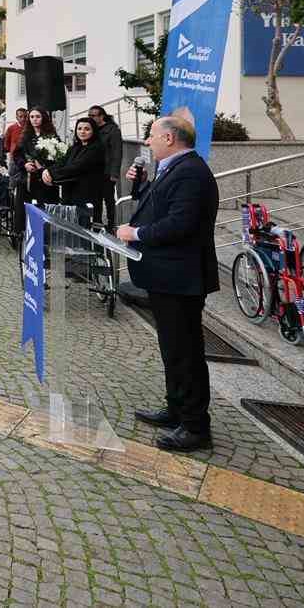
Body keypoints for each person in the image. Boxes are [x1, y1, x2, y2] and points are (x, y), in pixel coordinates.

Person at [117, 112, 220, 454]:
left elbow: (180, 223)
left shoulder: (191, 172)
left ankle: (194, 427)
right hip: (168, 277)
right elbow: (156, 206)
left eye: (151, 135)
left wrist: (136, 233)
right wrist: (140, 184)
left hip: (182, 278)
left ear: (170, 138)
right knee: (173, 350)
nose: (147, 140)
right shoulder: (174, 168)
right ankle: (176, 409)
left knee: (185, 352)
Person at [40, 117, 108, 215]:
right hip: (70, 193)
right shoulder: (74, 147)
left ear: (94, 131)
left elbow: (77, 167)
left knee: (84, 225)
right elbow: (62, 163)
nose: (82, 132)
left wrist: (51, 174)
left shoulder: (97, 148)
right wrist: (47, 170)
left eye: (87, 129)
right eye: (79, 128)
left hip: (87, 195)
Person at [87, 105, 123, 231]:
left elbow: (117, 153)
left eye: (93, 115)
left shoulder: (112, 130)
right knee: (95, 199)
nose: (90, 117)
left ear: (101, 116)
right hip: (94, 171)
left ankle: (111, 224)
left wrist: (114, 173)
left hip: (107, 171)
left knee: (108, 199)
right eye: (89, 115)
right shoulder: (91, 129)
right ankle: (97, 223)